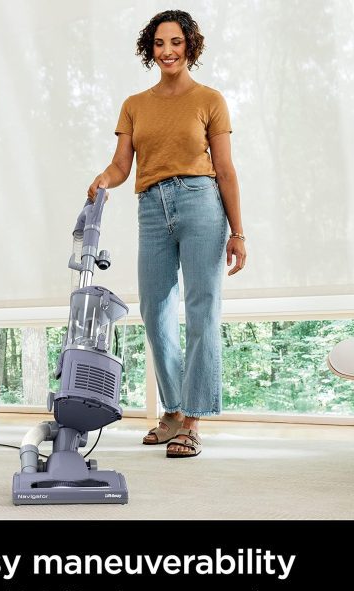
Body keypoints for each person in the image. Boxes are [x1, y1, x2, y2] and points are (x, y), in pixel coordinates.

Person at [87, 10, 246, 458]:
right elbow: (122, 165)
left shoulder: (210, 99)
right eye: (159, 43)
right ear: (150, 49)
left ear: (190, 45)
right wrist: (102, 178)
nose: (168, 51)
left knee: (201, 309)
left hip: (201, 201)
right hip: (151, 207)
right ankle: (174, 409)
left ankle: (192, 420)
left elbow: (226, 168)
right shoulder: (135, 104)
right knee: (156, 314)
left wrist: (239, 232)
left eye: (176, 42)